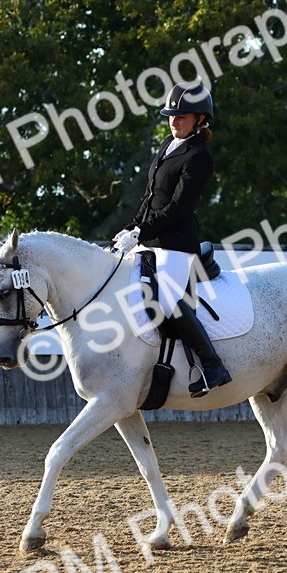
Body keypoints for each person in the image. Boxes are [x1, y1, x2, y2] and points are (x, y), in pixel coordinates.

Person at [111, 82, 232, 397]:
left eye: (182, 117)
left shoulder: (200, 156)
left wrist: (142, 232)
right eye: (171, 116)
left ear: (199, 120)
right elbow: (151, 197)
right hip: (149, 237)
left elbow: (178, 207)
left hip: (176, 244)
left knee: (165, 298)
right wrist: (131, 228)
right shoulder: (168, 144)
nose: (174, 122)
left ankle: (212, 365)